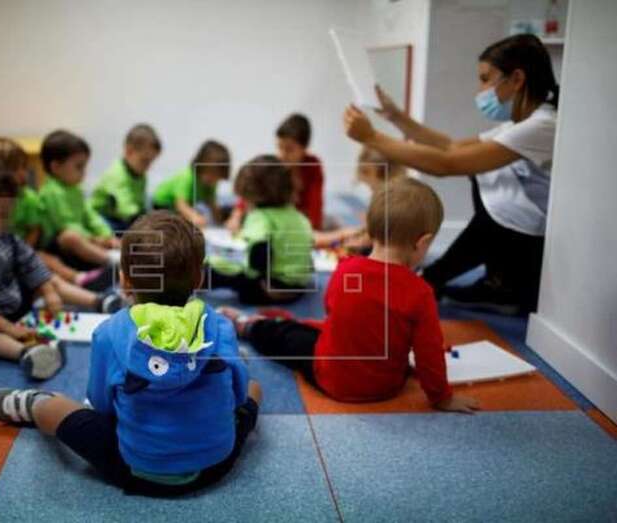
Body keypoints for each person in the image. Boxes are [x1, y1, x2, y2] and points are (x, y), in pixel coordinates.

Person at [0, 211, 261, 496]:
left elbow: (102, 405)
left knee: (59, 408)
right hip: (215, 464)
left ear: (124, 281)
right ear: (200, 278)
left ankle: (31, 404)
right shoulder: (220, 326)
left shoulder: (111, 332)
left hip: (136, 467)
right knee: (254, 388)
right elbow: (238, 396)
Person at [220, 178, 479, 413]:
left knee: (287, 335)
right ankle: (270, 325)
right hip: (387, 386)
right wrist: (442, 398)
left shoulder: (346, 269)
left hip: (332, 379)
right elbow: (429, 353)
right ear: (422, 242)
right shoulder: (420, 292)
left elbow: (333, 311)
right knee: (315, 332)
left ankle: (249, 326)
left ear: (371, 228)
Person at [343, 34, 558, 314]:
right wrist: (394, 115)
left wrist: (371, 137)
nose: (479, 90)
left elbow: (448, 164)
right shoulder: (521, 123)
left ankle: (499, 286)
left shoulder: (542, 124)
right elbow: (450, 146)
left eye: (485, 79)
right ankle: (488, 282)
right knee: (487, 192)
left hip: (522, 238)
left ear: (517, 79)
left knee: (486, 187)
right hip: (504, 228)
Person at [0, 160, 109, 380]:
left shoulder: (0, 230)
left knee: (49, 279)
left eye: (9, 214)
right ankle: (25, 353)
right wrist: (8, 328)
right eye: (0, 215)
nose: (7, 221)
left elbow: (29, 260)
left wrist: (48, 291)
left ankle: (99, 301)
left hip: (10, 297)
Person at [0, 137, 110, 291]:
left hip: (24, 248)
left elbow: (35, 229)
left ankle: (78, 278)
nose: (23, 173)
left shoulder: (28, 198)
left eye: (24, 167)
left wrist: (24, 249)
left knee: (44, 260)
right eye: (16, 169)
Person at [208, 155, 314, 304]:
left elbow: (259, 257)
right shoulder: (298, 215)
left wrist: (247, 272)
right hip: (299, 289)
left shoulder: (260, 217)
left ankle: (202, 278)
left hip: (270, 290)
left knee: (222, 270)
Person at [38, 130, 119, 278]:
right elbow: (66, 224)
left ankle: (117, 254)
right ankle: (111, 260)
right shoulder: (50, 192)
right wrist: (93, 239)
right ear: (56, 167)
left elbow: (89, 214)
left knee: (111, 233)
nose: (84, 172)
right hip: (57, 245)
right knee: (70, 237)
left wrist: (105, 235)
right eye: (79, 167)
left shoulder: (74, 188)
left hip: (84, 238)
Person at [225, 113, 325, 233]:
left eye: (289, 149)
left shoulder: (312, 166)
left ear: (304, 148)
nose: (282, 155)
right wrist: (236, 216)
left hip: (298, 222)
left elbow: (315, 213)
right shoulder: (274, 165)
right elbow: (250, 191)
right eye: (279, 147)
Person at [90, 124, 162, 232]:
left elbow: (140, 204)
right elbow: (126, 209)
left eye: (151, 161)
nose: (148, 166)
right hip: (102, 218)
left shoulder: (141, 175)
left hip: (122, 219)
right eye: (145, 160)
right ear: (129, 151)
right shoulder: (116, 175)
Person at [152, 140, 230, 227]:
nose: (214, 181)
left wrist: (222, 221)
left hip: (184, 205)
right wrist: (195, 217)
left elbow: (212, 205)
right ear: (202, 167)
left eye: (218, 178)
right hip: (163, 204)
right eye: (212, 176)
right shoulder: (187, 177)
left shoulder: (211, 183)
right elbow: (180, 205)